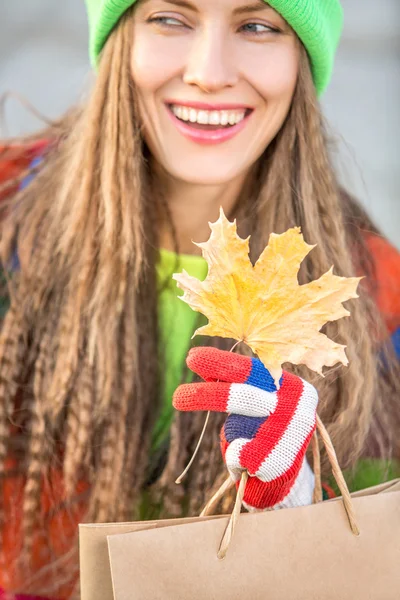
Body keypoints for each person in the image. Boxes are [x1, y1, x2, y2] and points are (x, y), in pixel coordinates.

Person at [0, 0, 399, 597]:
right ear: (120, 40)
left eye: (257, 26)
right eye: (170, 18)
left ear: (301, 60)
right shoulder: (10, 216)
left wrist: (295, 506)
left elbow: (372, 563)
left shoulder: (370, 297)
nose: (209, 71)